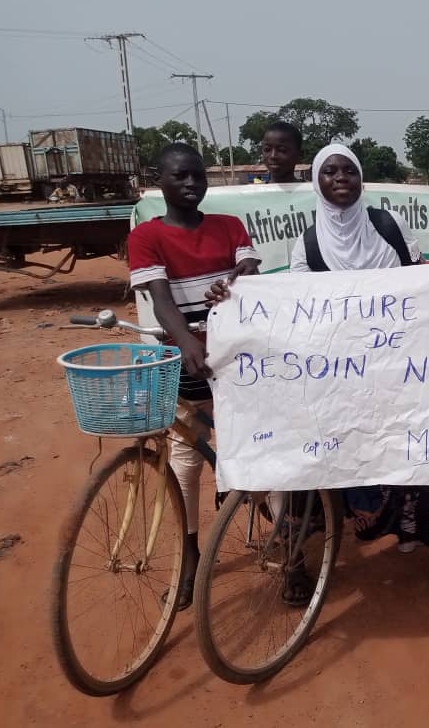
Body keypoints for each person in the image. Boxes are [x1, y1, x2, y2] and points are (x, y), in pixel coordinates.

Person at [231, 143, 429, 611]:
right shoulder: (306, 243)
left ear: (361, 179)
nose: (341, 178)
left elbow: (421, 285)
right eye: (330, 172)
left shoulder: (387, 226)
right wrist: (235, 293)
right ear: (317, 182)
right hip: (338, 378)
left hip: (400, 370)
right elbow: (294, 308)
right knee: (319, 457)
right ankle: (299, 555)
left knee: (425, 459)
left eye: (349, 171)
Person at [127, 143, 261, 610]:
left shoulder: (228, 227)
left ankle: (286, 548)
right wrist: (186, 341)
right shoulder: (147, 236)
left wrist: (242, 272)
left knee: (259, 446)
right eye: (180, 176)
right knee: (185, 455)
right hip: (187, 362)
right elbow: (161, 298)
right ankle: (189, 555)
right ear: (159, 179)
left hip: (237, 360)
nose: (190, 184)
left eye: (198, 176)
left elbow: (248, 267)